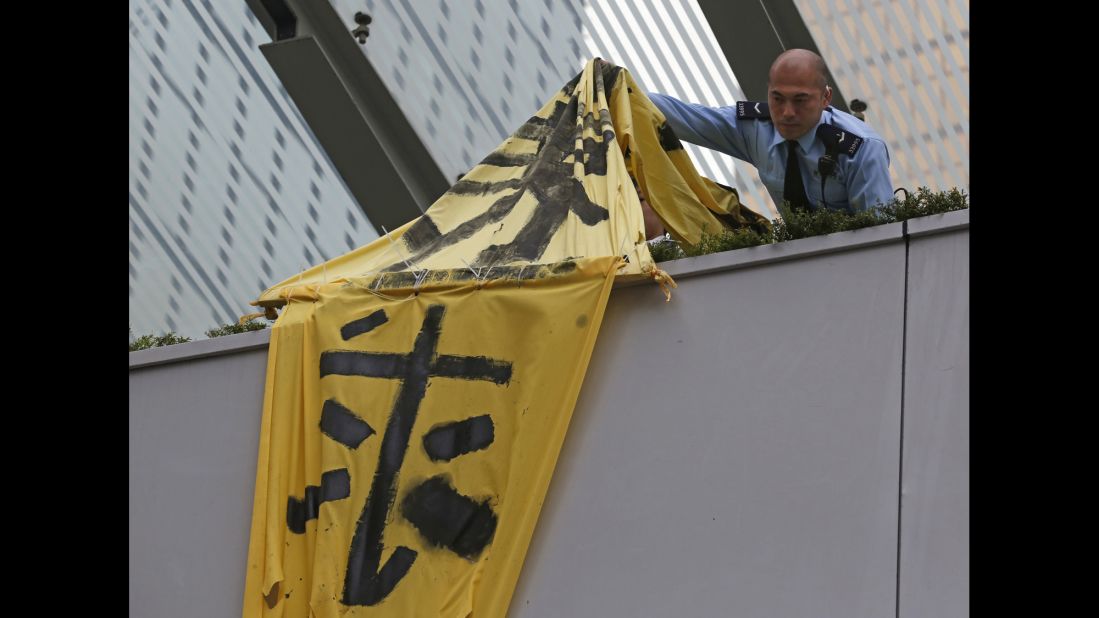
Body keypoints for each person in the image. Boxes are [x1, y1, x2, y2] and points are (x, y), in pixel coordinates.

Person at [641, 49, 894, 213]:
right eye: (777, 98)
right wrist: (615, 84)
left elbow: (880, 236)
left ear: (826, 97)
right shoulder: (755, 129)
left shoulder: (861, 148)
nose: (786, 112)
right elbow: (684, 117)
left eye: (800, 100)